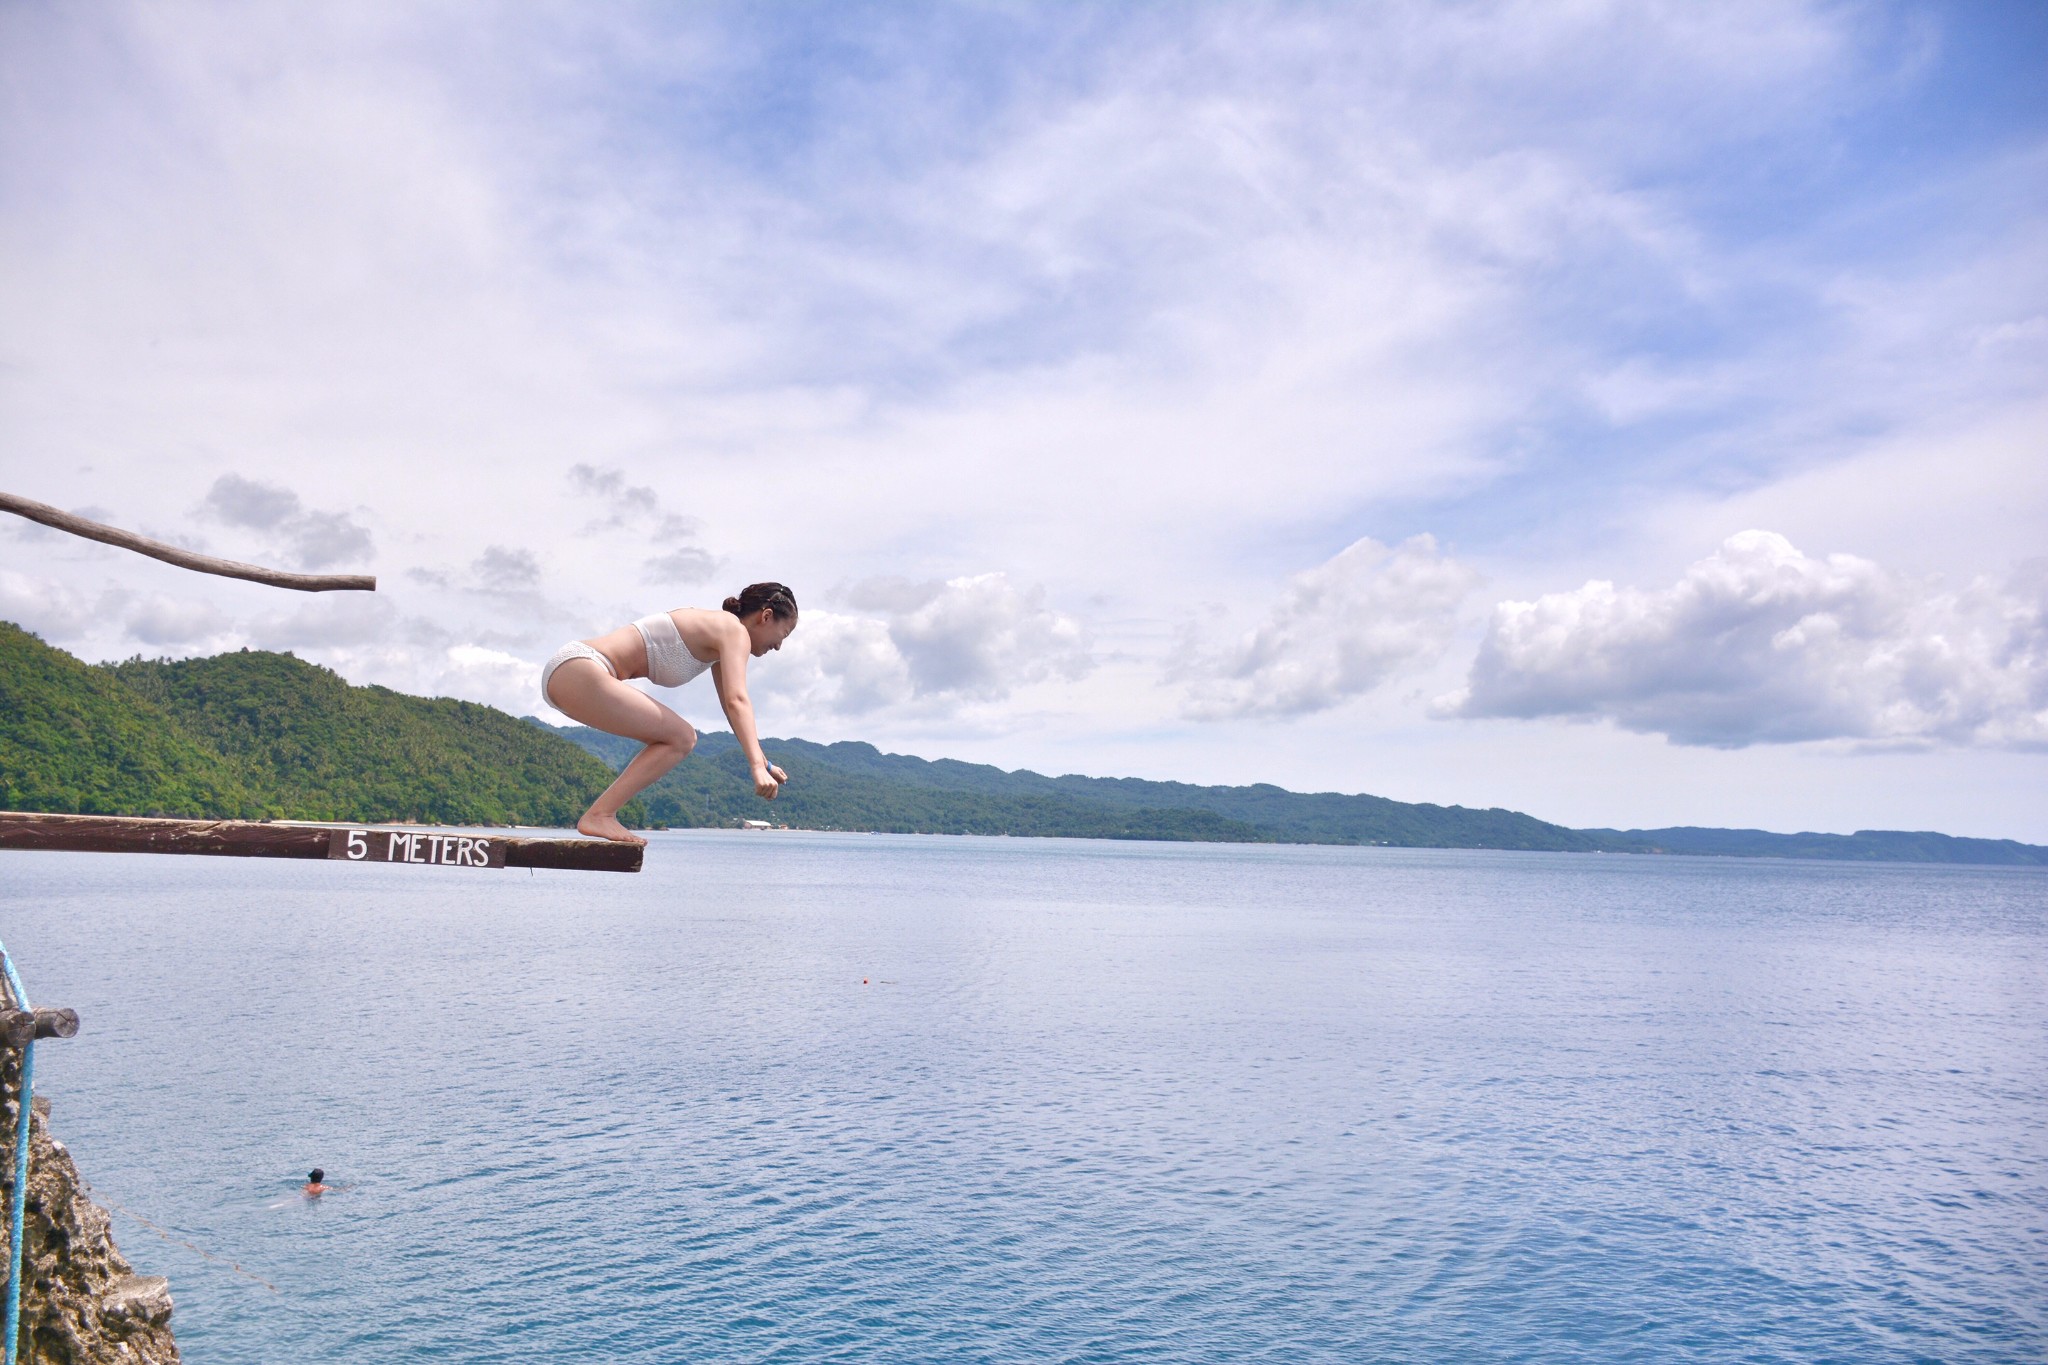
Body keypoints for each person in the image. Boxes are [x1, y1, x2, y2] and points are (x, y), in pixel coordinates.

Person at [541, 583, 799, 845]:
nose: (778, 646)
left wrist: (763, 763)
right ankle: (600, 815)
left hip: (571, 674)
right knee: (681, 737)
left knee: (679, 737)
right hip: (580, 668)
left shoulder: (723, 638)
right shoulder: (733, 630)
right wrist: (756, 767)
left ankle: (601, 814)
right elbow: (738, 700)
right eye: (784, 634)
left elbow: (732, 709)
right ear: (766, 616)